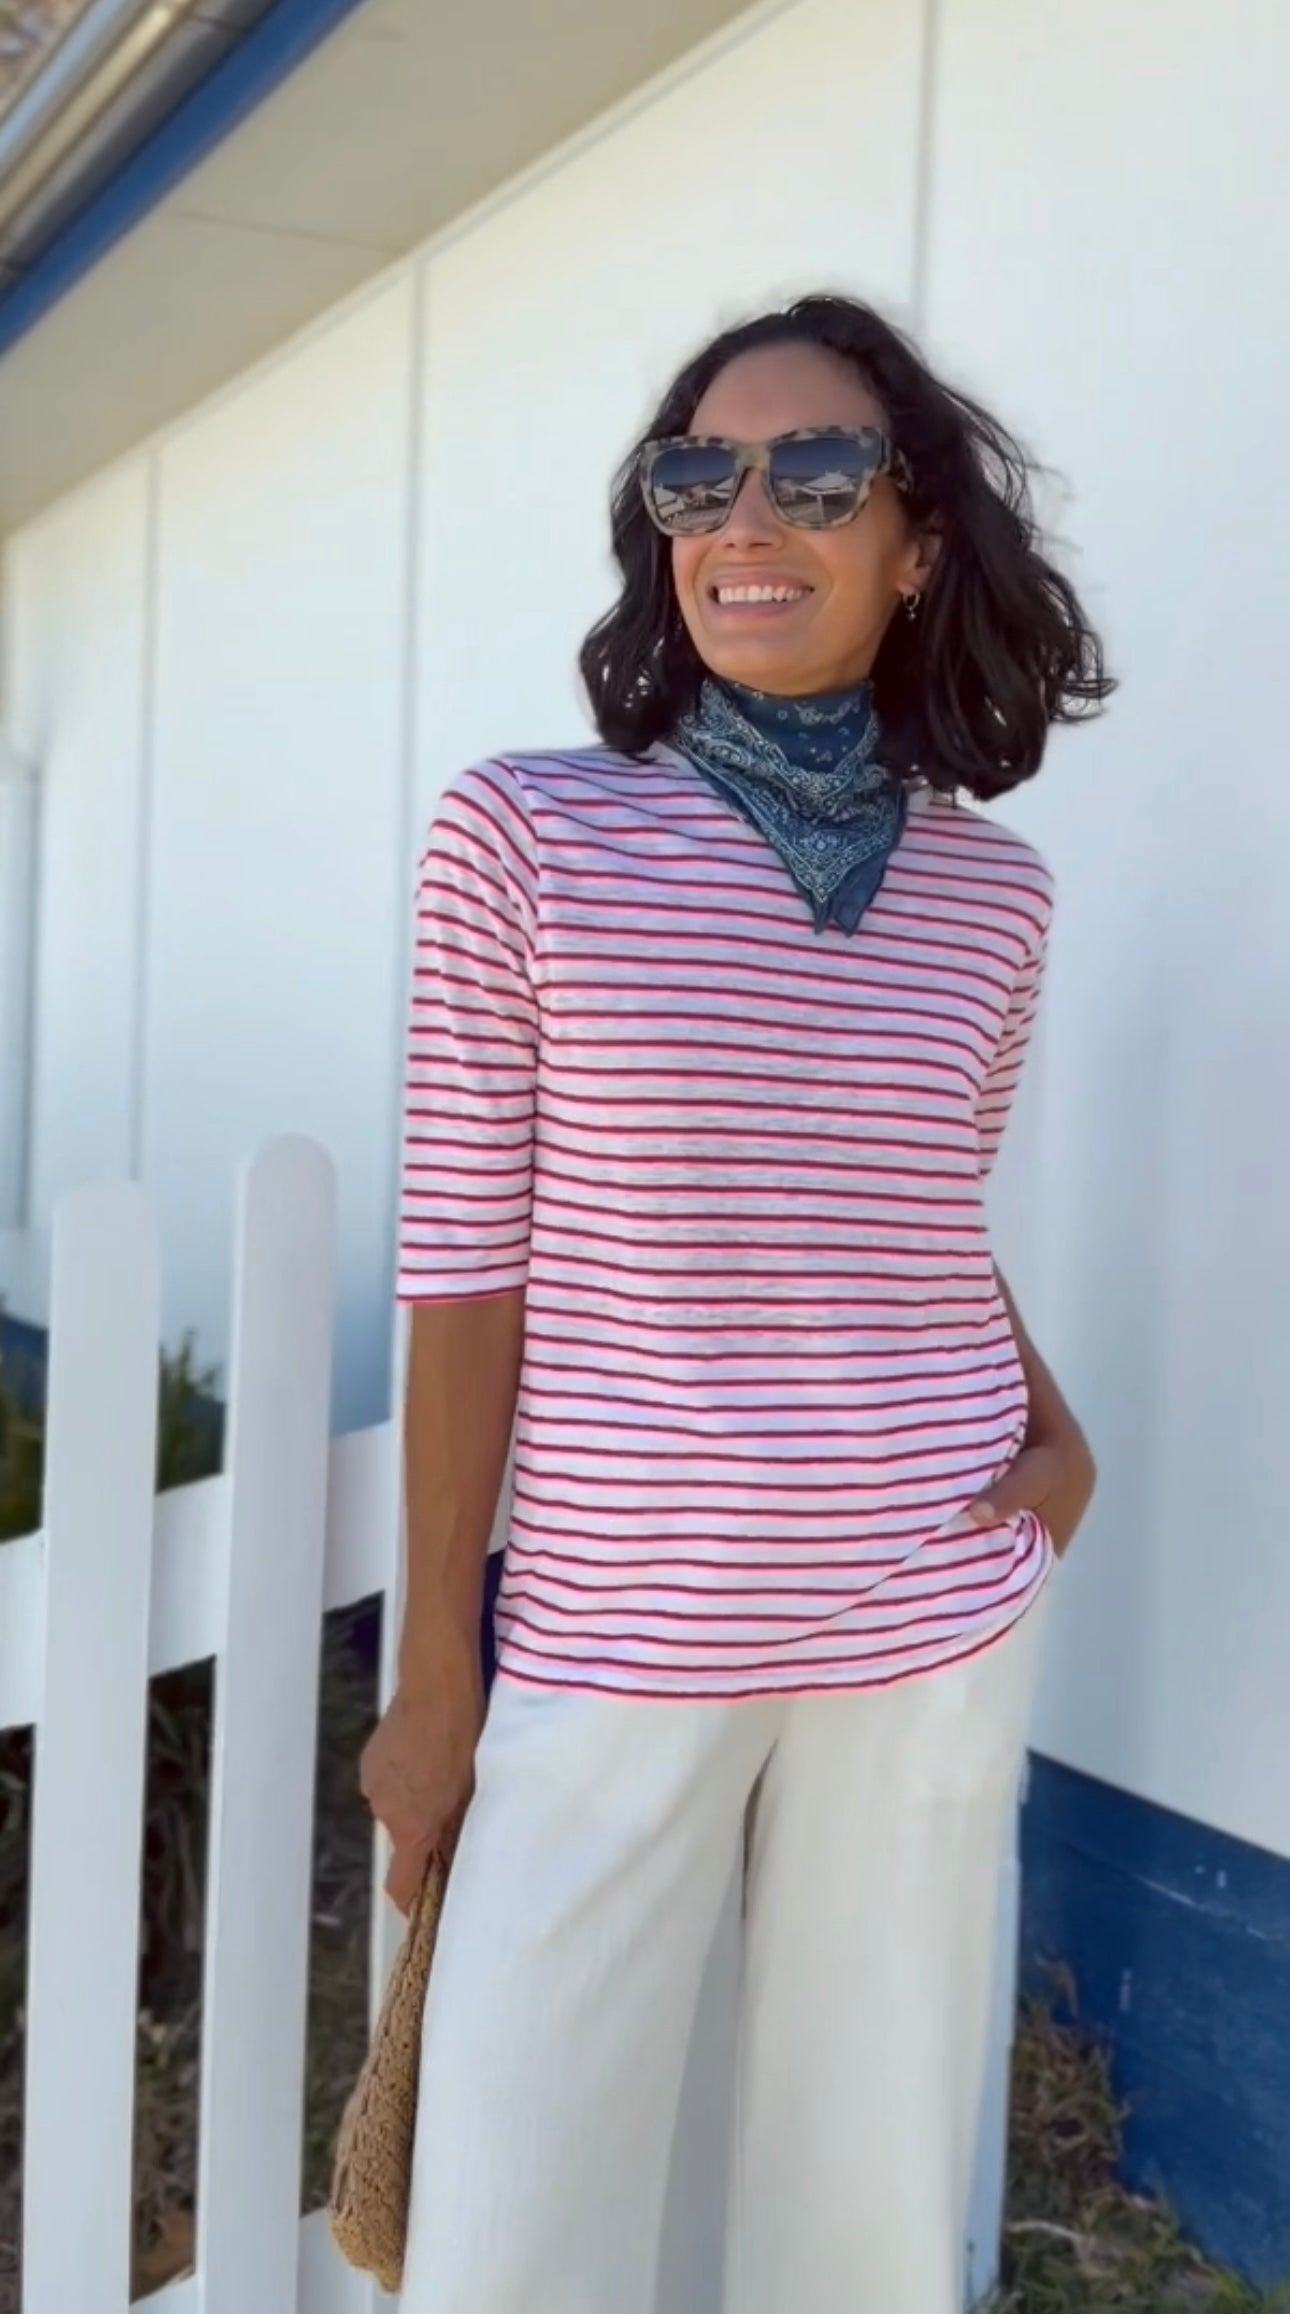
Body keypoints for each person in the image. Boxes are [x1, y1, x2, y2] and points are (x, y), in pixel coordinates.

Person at [361, 292, 1106, 2313]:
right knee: (512, 2226)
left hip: (927, 1598)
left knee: (861, 2213)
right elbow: (464, 1265)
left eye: (814, 470)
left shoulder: (994, 893)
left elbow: (906, 1205)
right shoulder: (527, 831)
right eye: (701, 470)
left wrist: (1057, 1439)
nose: (743, 513)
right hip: (620, 1620)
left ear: (917, 536)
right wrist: (440, 1665)